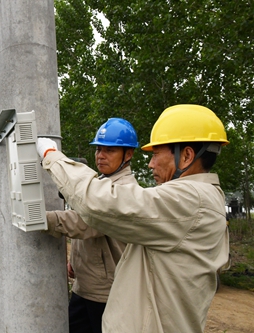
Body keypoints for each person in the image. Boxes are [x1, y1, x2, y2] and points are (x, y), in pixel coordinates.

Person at [36, 104, 230, 333]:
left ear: (186, 155)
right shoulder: (200, 199)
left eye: (156, 154)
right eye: (99, 149)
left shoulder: (189, 200)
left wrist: (52, 156)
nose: (150, 164)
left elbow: (98, 204)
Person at [45, 118, 139, 333]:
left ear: (128, 154)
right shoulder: (100, 184)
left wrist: (42, 219)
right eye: (98, 149)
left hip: (106, 293)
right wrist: (74, 261)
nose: (100, 156)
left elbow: (84, 223)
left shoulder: (124, 190)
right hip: (84, 287)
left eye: (109, 150)